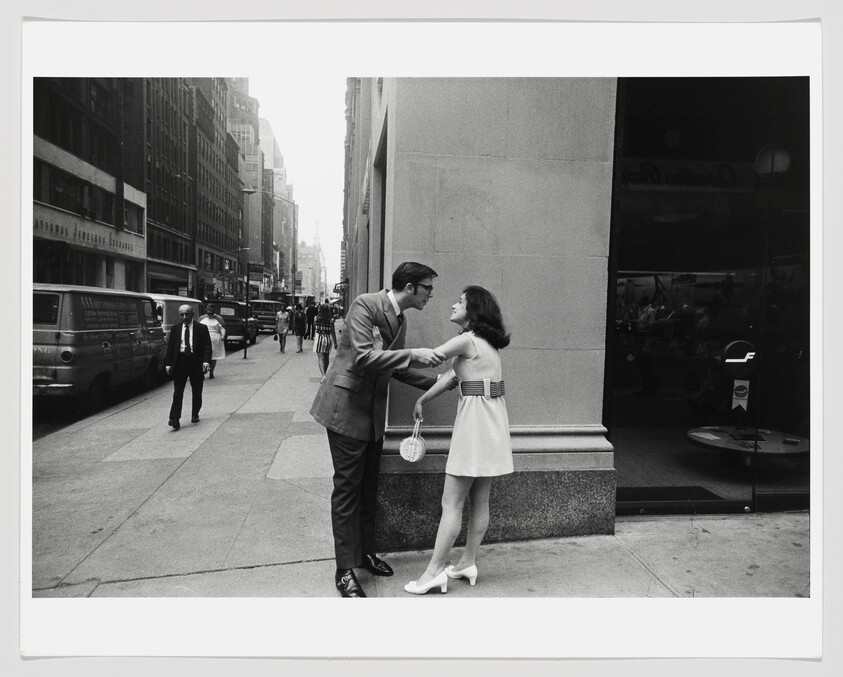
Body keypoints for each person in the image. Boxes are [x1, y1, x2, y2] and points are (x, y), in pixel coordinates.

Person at [310, 262, 446, 598]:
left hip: (371, 417)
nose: (431, 294)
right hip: (344, 411)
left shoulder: (400, 317)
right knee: (347, 491)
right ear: (411, 287)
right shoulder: (365, 305)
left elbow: (393, 367)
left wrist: (440, 384)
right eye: (428, 288)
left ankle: (366, 553)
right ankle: (345, 570)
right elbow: (365, 358)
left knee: (368, 488)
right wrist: (412, 354)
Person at [404, 285, 512, 595]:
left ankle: (434, 571)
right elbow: (453, 377)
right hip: (493, 423)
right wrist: (423, 399)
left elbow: (434, 358)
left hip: (473, 426)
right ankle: (467, 562)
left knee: (451, 503)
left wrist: (388, 357)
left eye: (460, 302)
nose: (453, 305)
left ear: (473, 311)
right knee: (480, 499)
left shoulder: (465, 340)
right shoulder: (487, 346)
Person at [165, 305, 212, 430]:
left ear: (192, 314)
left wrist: (206, 362)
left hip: (195, 361)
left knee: (197, 390)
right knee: (178, 391)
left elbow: (207, 346)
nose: (184, 317)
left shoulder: (201, 328)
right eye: (182, 315)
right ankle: (174, 418)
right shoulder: (175, 329)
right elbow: (171, 348)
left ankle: (195, 413)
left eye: (187, 314)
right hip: (180, 362)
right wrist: (168, 364)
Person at [313, 300, 338, 381]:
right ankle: (325, 374)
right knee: (326, 358)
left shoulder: (316, 318)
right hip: (327, 339)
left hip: (319, 338)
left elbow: (314, 328)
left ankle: (323, 375)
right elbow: (333, 332)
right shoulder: (331, 320)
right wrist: (335, 343)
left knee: (320, 358)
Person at [199, 303, 226, 378]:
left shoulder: (219, 318)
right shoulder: (202, 318)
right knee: (202, 356)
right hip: (203, 339)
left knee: (213, 357)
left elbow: (222, 328)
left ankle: (211, 372)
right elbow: (197, 327)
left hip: (214, 340)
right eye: (208, 308)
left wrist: (223, 335)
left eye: (212, 309)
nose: (210, 310)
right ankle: (203, 371)